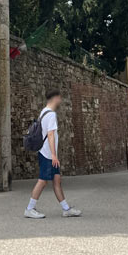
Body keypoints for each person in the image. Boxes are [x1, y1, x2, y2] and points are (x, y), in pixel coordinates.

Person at [24, 89, 82, 219]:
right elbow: (50, 135)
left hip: (47, 153)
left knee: (57, 180)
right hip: (48, 154)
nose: (60, 101)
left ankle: (66, 208)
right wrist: (54, 155)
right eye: (59, 98)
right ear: (55, 98)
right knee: (43, 181)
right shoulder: (51, 115)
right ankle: (29, 208)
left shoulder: (43, 112)